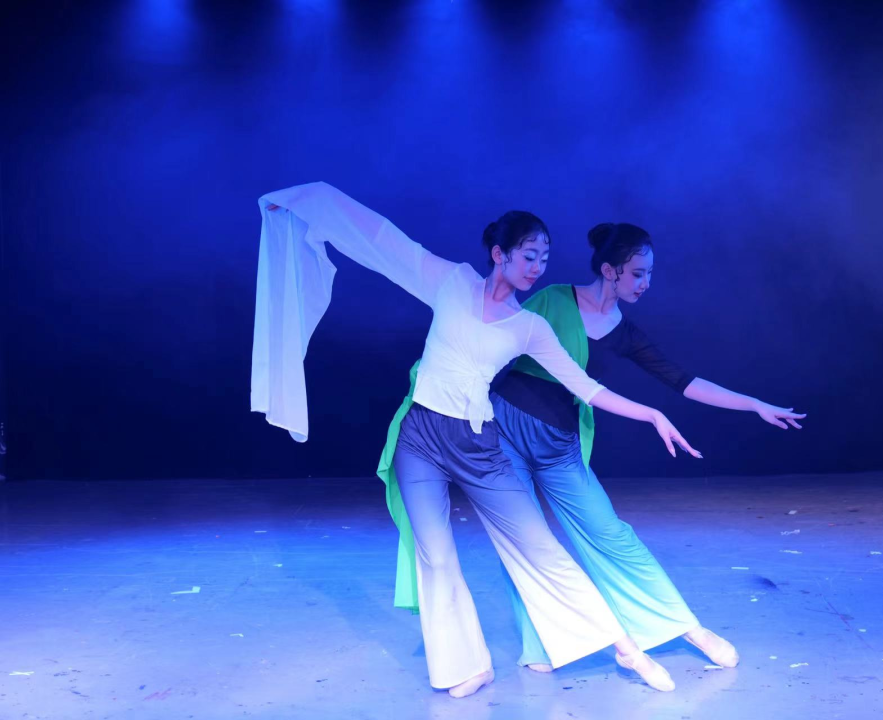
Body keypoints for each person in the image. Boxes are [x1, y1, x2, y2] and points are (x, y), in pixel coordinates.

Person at [251, 183, 701, 697]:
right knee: (436, 557)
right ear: (499, 254)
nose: (537, 268)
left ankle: (627, 650)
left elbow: (587, 388)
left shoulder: (529, 326)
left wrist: (651, 413)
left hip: (479, 447)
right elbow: (381, 239)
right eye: (529, 256)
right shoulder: (450, 282)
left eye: (544, 259)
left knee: (540, 546)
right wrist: (308, 201)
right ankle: (467, 667)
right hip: (420, 440)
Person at [490, 222, 806, 672]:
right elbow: (495, 343)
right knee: (524, 538)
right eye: (638, 273)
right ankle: (540, 644)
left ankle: (686, 628)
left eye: (649, 274)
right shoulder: (553, 299)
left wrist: (753, 404)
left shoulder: (626, 333)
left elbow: (684, 381)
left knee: (613, 535)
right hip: (504, 431)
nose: (646, 283)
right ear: (609, 270)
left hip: (559, 445)